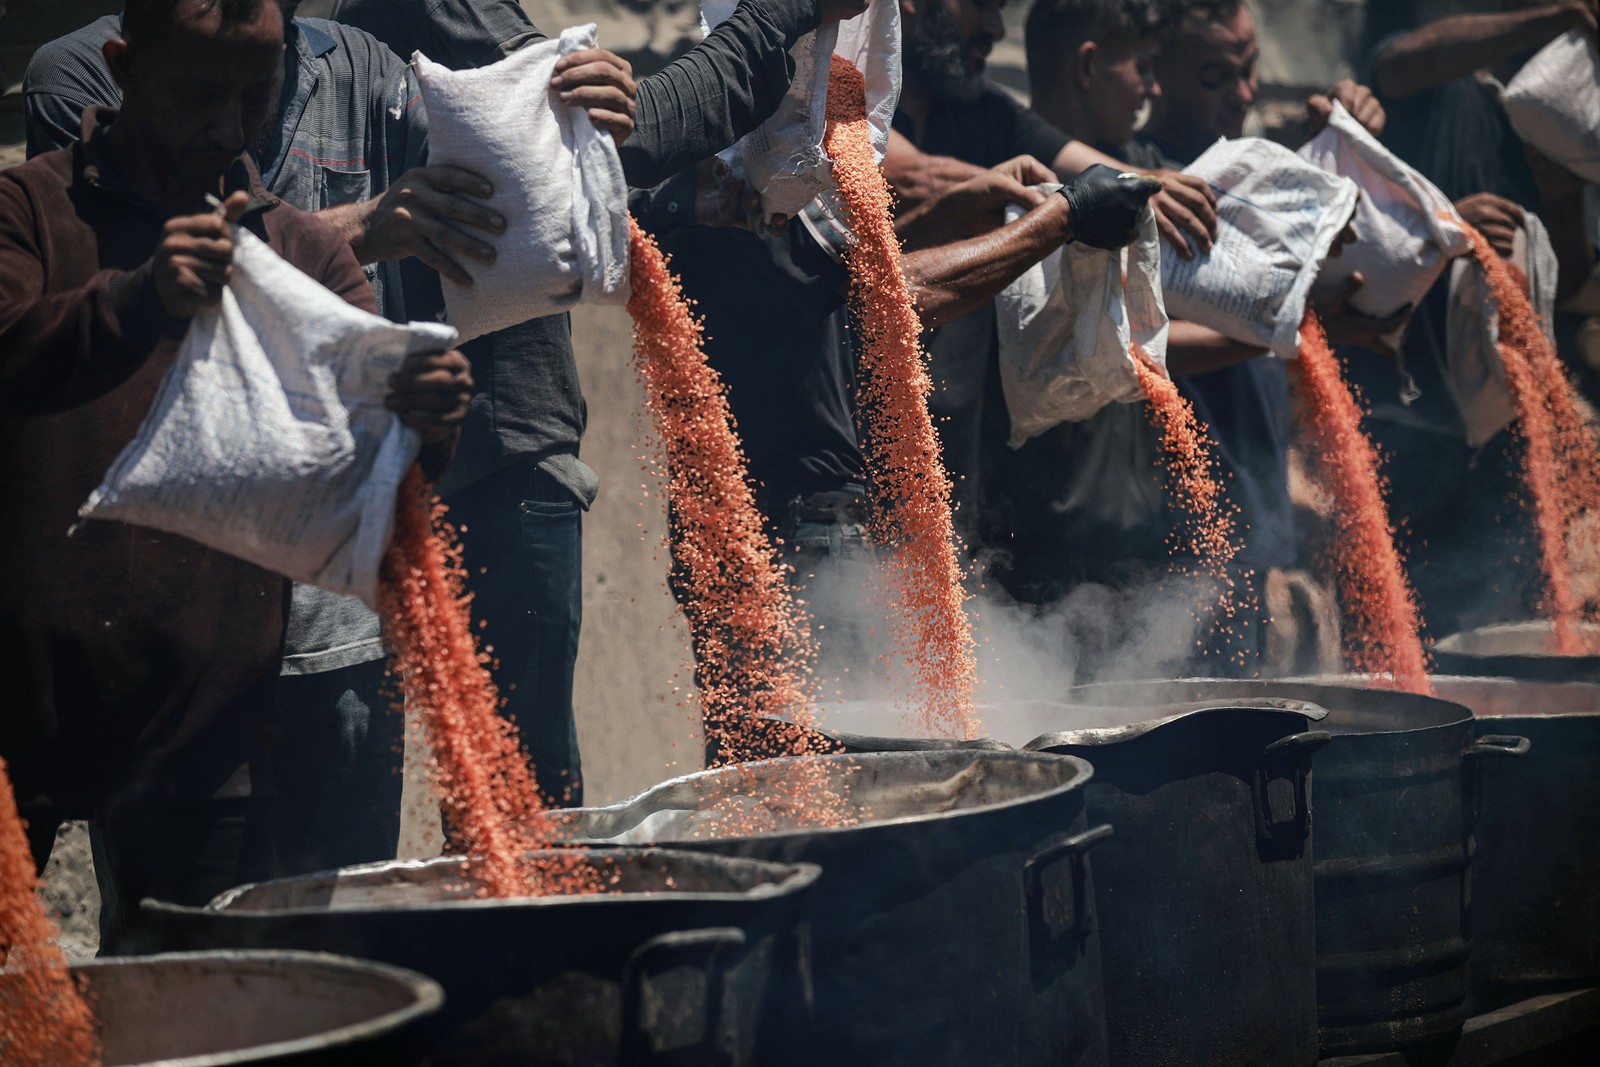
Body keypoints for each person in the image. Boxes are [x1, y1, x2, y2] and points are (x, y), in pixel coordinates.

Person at [0, 0, 472, 950]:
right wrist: (136, 301)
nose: (225, 128)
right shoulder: (31, 210)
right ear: (125, 68)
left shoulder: (301, 251)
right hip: (22, 700)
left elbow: (361, 479)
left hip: (205, 725)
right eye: (197, 95)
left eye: (254, 98)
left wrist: (424, 419)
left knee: (189, 1000)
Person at [320, 0, 872, 807]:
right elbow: (624, 134)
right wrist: (781, 13)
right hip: (491, 450)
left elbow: (550, 186)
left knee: (489, 784)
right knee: (526, 796)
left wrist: (680, 202)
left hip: (437, 441)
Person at [1342, 0, 1600, 634]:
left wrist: (1562, 204)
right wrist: (1451, 225)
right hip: (1405, 425)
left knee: (1507, 628)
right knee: (1407, 639)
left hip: (1506, 435)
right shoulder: (1433, 86)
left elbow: (1563, 285)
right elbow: (1400, 63)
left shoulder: (1535, 118)